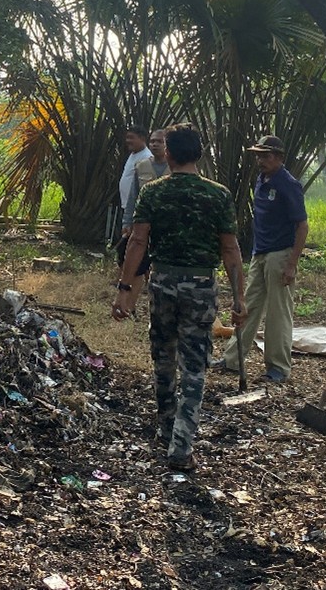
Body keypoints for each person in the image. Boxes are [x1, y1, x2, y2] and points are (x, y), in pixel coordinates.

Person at [112, 124, 246, 471]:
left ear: (168, 153)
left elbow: (137, 243)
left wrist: (125, 289)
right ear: (199, 154)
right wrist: (239, 299)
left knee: (164, 357)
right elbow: (230, 249)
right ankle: (181, 445)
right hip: (201, 287)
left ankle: (166, 426)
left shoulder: (154, 193)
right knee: (194, 365)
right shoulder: (218, 195)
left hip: (164, 284)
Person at [222, 134, 309, 383]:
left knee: (278, 311)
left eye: (266, 155)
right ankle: (232, 359)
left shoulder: (288, 184)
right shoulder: (261, 179)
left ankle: (278, 367)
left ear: (279, 158)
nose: (261, 160)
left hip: (280, 253)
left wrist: (292, 263)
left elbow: (302, 226)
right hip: (260, 253)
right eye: (258, 155)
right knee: (247, 305)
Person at [116, 128, 168, 275]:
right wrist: (127, 221)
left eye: (160, 141)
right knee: (137, 253)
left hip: (167, 221)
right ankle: (130, 282)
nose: (155, 144)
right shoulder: (142, 165)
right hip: (143, 219)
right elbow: (133, 196)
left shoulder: (176, 167)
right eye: (153, 141)